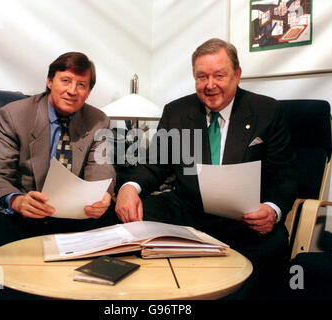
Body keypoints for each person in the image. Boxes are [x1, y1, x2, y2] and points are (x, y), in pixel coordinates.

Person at [115, 38, 298, 298]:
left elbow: (286, 175)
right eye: (202, 77)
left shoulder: (267, 111)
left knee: (274, 245)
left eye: (219, 75)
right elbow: (155, 163)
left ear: (237, 75)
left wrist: (272, 210)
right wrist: (128, 188)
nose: (210, 85)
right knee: (130, 217)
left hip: (244, 218)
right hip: (189, 210)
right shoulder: (177, 112)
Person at [0, 52, 118, 256]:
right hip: (23, 214)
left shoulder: (98, 121)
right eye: (66, 81)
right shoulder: (14, 116)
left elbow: (101, 169)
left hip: (72, 217)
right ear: (50, 81)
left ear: (88, 92)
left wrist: (101, 197)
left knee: (112, 225)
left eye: (81, 85)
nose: (72, 91)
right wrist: (17, 201)